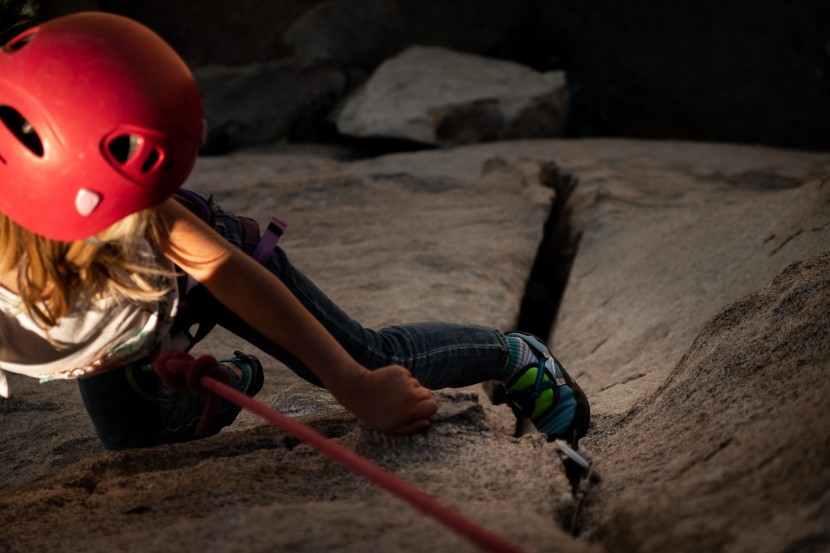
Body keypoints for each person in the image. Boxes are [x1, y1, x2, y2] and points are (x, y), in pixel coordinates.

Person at [0, 12, 589, 451]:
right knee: (135, 442)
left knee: (368, 356)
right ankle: (224, 381)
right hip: (112, 332)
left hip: (179, 287)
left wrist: (353, 383)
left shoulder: (144, 220)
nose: (145, 215)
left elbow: (223, 268)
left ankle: (512, 356)